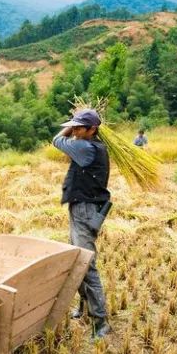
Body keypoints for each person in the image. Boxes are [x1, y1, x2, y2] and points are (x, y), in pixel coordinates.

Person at [52, 108, 112, 339]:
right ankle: (84, 307)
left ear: (92, 129)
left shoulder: (86, 148)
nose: (75, 131)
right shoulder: (93, 145)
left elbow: (57, 140)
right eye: (74, 127)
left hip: (86, 211)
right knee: (77, 260)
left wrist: (69, 127)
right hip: (84, 209)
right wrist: (78, 121)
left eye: (79, 127)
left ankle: (101, 321)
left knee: (86, 264)